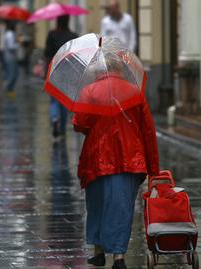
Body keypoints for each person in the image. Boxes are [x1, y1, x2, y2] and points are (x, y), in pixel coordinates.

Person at [72, 71, 159, 269]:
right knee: (121, 206)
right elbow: (147, 130)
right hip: (130, 157)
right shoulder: (134, 92)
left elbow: (80, 123)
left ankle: (98, 252)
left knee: (97, 204)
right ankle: (118, 257)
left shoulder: (90, 90)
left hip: (97, 157)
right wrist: (153, 169)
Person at [45, 15, 77, 139]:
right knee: (64, 100)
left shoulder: (51, 34)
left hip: (54, 69)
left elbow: (47, 53)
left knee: (54, 99)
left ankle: (54, 118)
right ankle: (62, 128)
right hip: (67, 70)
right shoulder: (73, 36)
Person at [2, 21, 19, 98]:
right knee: (12, 74)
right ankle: (8, 89)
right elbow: (11, 46)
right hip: (10, 57)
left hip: (10, 57)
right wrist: (19, 44)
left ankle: (10, 89)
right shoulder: (10, 34)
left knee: (13, 73)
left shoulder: (10, 34)